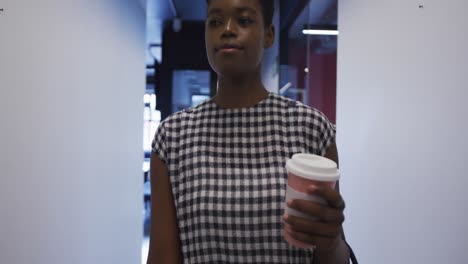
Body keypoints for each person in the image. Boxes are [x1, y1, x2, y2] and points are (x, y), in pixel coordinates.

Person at [147, 0, 351, 263]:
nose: (227, 30)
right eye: (215, 22)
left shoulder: (311, 129)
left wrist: (331, 241)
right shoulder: (173, 137)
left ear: (269, 34)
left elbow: (334, 257)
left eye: (243, 20)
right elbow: (162, 258)